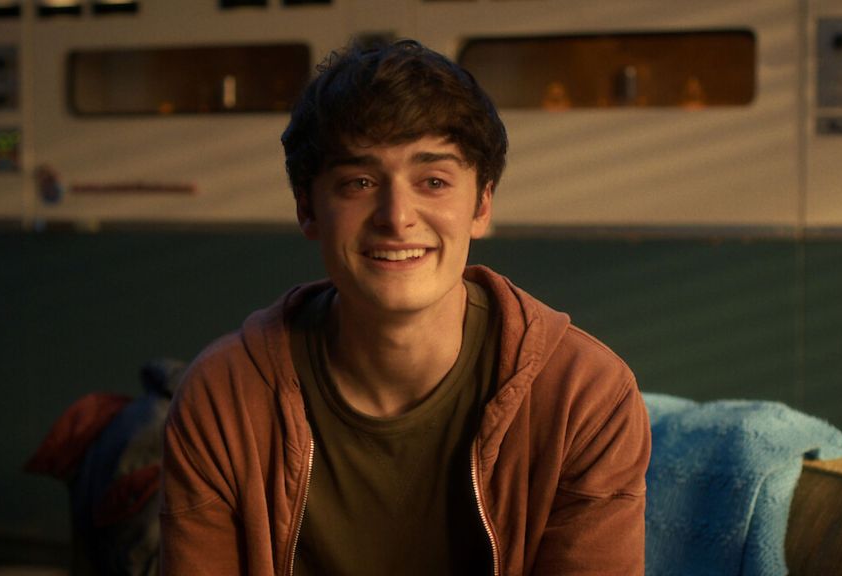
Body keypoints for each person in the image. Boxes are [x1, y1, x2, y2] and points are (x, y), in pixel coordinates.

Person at [160, 39, 650, 575]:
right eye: (360, 182)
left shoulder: (585, 397)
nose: (396, 217)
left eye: (433, 182)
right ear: (307, 209)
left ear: (482, 205)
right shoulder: (223, 398)